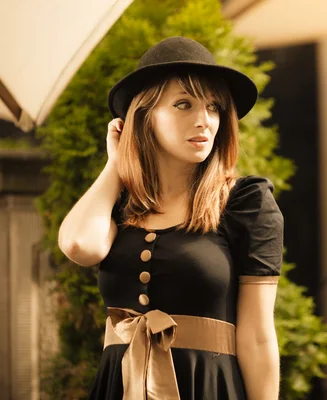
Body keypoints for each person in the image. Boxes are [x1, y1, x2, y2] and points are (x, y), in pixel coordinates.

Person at [57, 36, 283, 400]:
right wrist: (115, 165)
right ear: (144, 116)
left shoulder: (245, 201)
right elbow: (79, 245)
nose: (204, 121)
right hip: (121, 386)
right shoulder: (118, 204)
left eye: (213, 107)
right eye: (183, 104)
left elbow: (258, 336)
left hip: (207, 386)